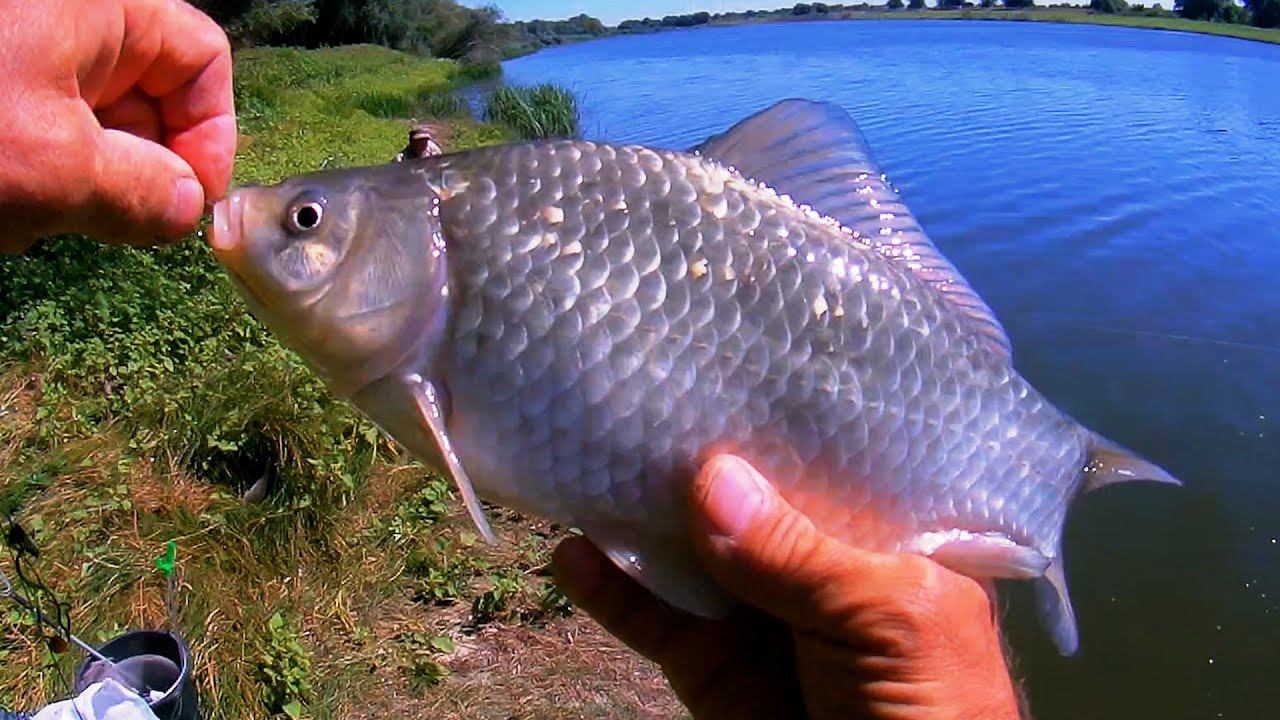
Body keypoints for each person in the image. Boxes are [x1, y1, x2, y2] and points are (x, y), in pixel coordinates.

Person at [0, 2, 1027, 719]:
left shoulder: (440, 303)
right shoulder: (420, 323)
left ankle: (1041, 486)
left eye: (304, 222)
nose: (267, 230)